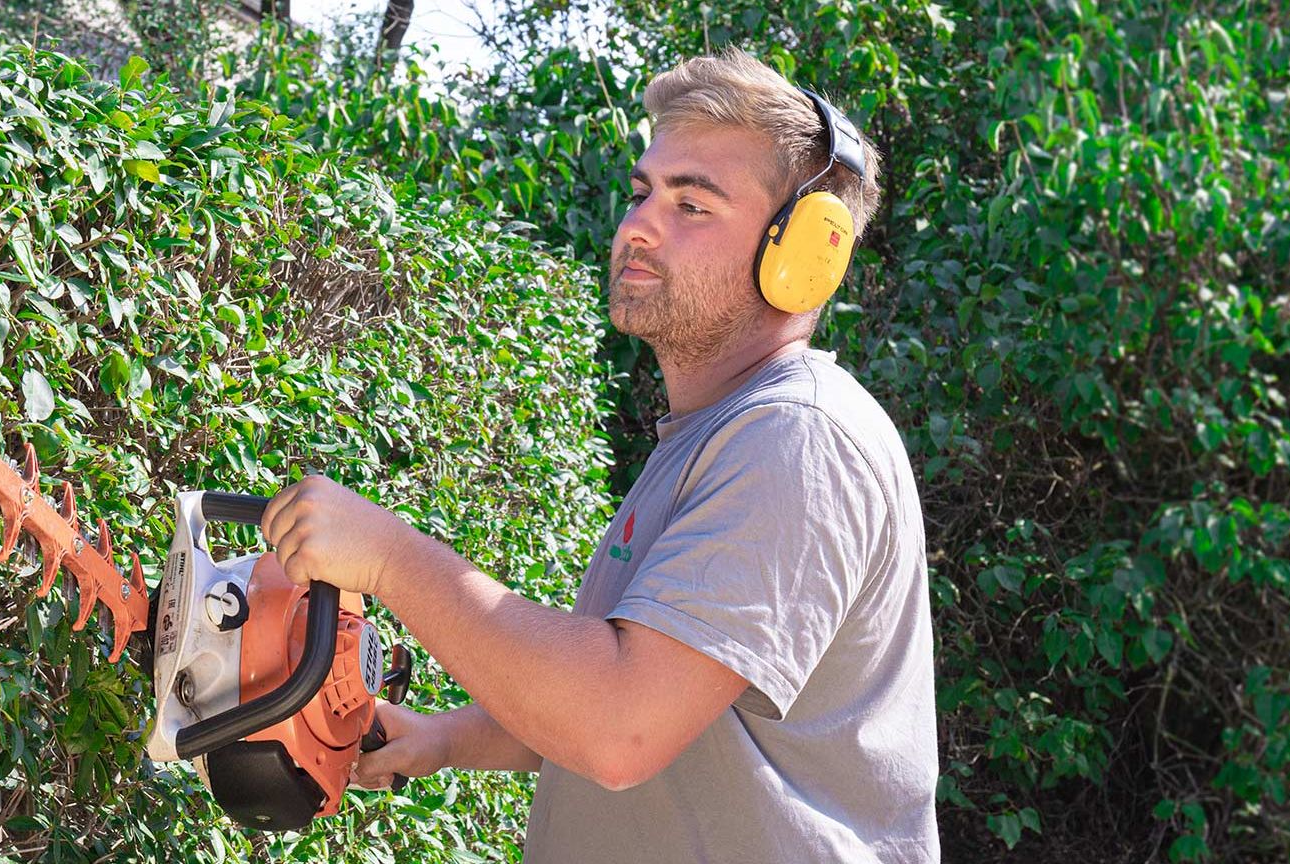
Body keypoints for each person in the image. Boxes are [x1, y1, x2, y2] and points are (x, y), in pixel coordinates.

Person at [260, 47, 940, 863]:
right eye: (643, 191)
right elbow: (653, 696)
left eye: (694, 204)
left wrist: (391, 558)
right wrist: (443, 740)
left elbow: (622, 725)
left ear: (805, 256)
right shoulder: (714, 438)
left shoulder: (798, 441)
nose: (640, 224)